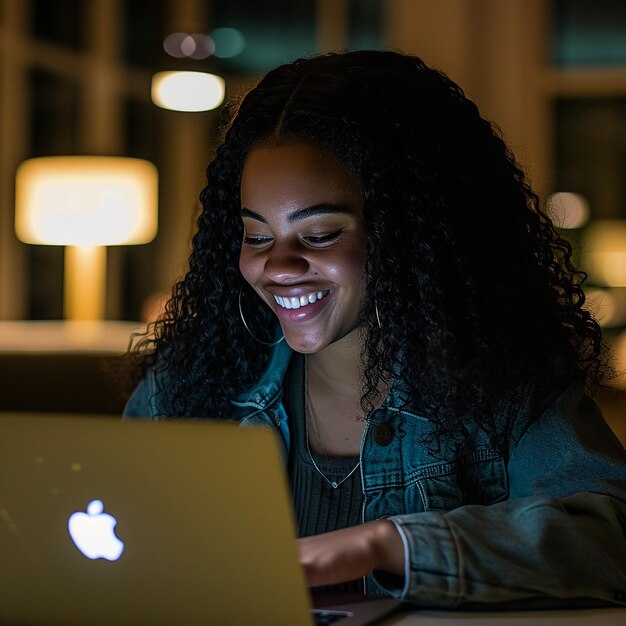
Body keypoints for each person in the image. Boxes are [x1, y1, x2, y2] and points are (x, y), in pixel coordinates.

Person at [124, 50, 626, 609]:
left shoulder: (504, 390)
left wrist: (385, 546)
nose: (278, 267)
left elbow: (609, 536)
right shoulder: (185, 386)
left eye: (319, 234)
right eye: (257, 237)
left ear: (415, 237)